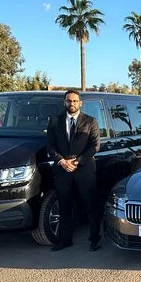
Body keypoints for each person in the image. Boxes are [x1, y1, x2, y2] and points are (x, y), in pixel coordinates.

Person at [46, 90, 102, 251]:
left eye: (75, 101)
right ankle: (65, 240)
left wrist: (77, 161)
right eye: (69, 101)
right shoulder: (55, 121)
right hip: (62, 169)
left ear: (80, 103)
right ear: (64, 102)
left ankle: (94, 239)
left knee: (90, 205)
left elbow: (95, 146)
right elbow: (50, 145)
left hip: (84, 169)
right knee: (64, 205)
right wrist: (61, 161)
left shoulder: (90, 121)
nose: (72, 103)